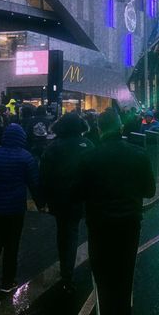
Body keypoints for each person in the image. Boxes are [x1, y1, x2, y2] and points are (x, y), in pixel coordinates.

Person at [76, 109, 156, 315]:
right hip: (129, 223)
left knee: (102, 276)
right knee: (125, 272)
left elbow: (78, 193)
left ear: (99, 129)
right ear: (120, 128)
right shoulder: (138, 153)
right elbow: (150, 190)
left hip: (99, 224)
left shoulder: (88, 157)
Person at [0, 124, 42, 294]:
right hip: (15, 209)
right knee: (11, 245)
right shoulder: (26, 157)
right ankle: (7, 282)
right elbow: (34, 183)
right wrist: (41, 203)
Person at [39, 112, 94, 292]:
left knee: (66, 234)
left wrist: (43, 200)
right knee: (83, 230)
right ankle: (90, 266)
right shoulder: (87, 144)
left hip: (60, 199)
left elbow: (44, 175)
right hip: (83, 198)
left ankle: (66, 273)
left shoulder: (53, 147)